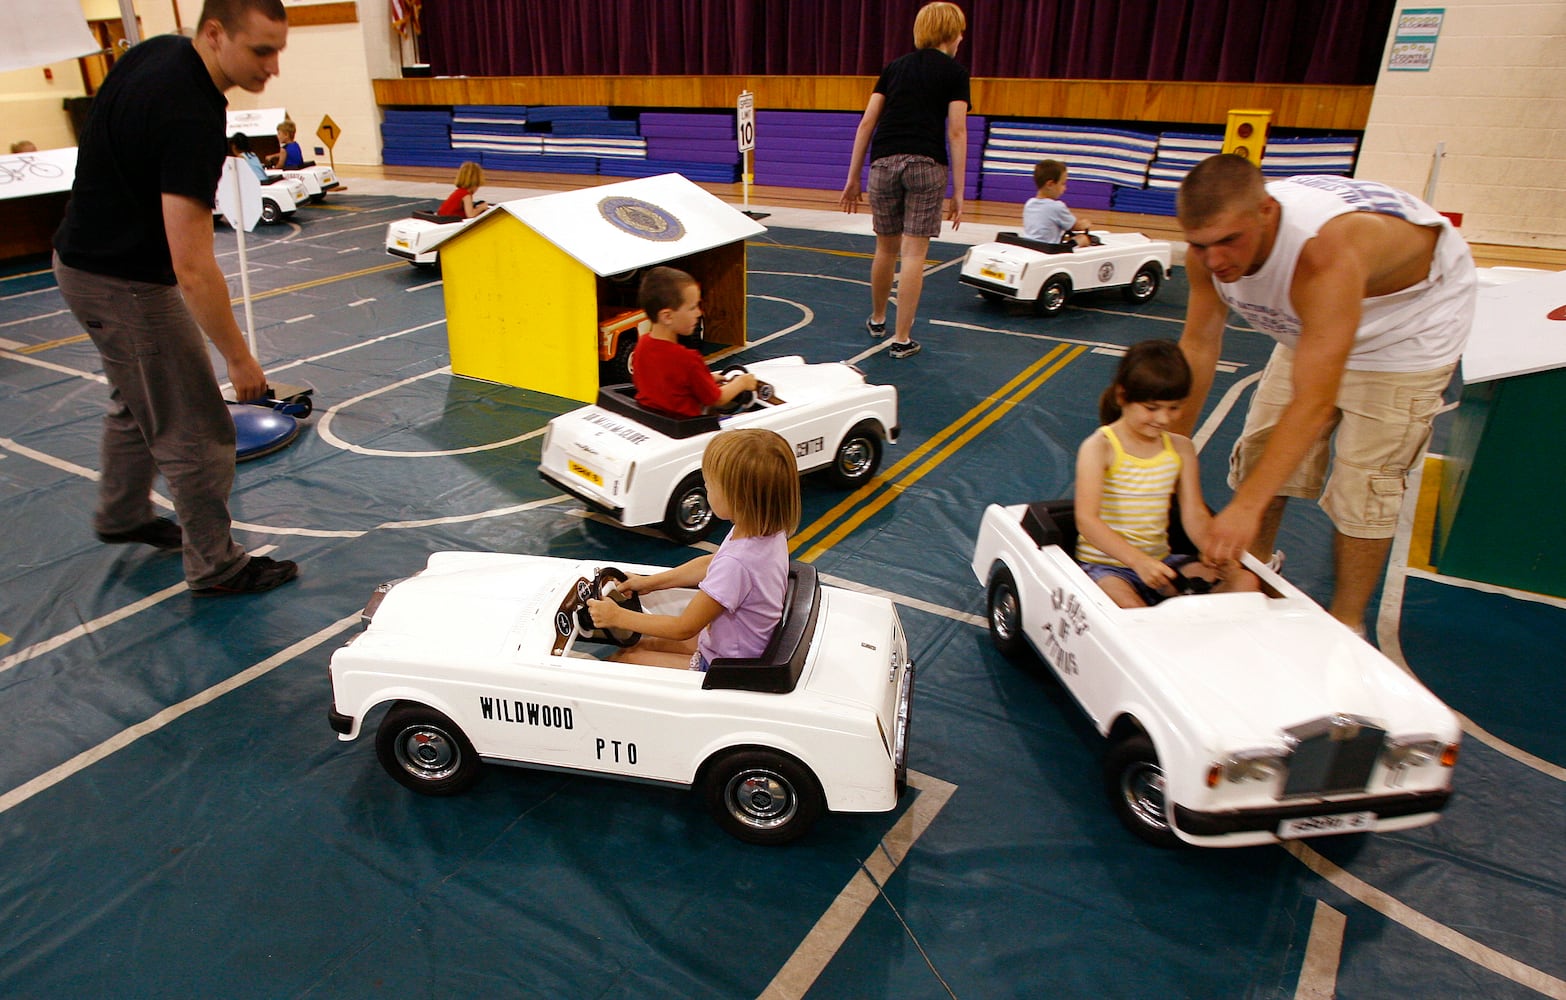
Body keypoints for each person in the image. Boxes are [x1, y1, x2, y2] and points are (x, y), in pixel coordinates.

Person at [52, 0, 298, 596]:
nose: (273, 67)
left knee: (137, 398)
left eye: (278, 51)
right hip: (125, 283)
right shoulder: (191, 115)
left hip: (78, 259)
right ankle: (217, 566)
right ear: (215, 34)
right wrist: (240, 360)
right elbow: (192, 266)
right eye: (261, 50)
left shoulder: (158, 51)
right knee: (196, 428)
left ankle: (122, 514)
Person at [1174, 153, 1476, 632]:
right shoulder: (1208, 255)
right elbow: (1198, 345)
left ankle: (1348, 622)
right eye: (1201, 245)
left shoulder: (1323, 255)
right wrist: (1169, 449)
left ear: (1267, 213)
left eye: (1229, 241)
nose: (1216, 261)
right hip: (1314, 321)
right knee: (1259, 461)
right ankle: (1250, 579)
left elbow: (1313, 404)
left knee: (1364, 487)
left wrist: (1245, 508)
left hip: (1407, 330)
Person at [587, 428, 800, 670]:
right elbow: (712, 563)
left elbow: (684, 627)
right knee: (642, 646)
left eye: (709, 485)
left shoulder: (737, 563)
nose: (706, 489)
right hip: (739, 646)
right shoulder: (764, 532)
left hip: (727, 666)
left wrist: (618, 617)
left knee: (627, 660)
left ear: (737, 497)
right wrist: (649, 582)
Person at [1075, 340, 1259, 608]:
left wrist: (1211, 549)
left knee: (1246, 584)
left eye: (1174, 408)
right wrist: (1137, 561)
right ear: (1123, 397)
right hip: (1107, 567)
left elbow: (1194, 512)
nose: (1163, 419)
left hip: (1161, 563)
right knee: (1131, 610)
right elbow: (1087, 521)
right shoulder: (1099, 447)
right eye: (1152, 408)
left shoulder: (1181, 448)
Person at [839, 1, 970, 360]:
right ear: (949, 33)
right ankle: (901, 338)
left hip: (883, 163)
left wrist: (853, 177)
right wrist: (959, 191)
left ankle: (878, 318)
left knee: (885, 248)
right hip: (926, 163)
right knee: (914, 253)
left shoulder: (894, 68)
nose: (962, 38)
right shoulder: (955, 73)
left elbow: (867, 122)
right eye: (960, 31)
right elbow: (957, 132)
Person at [630, 266, 757, 417]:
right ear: (667, 316)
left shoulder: (642, 345)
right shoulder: (687, 359)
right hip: (687, 429)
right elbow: (717, 398)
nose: (699, 313)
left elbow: (666, 385)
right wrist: (741, 383)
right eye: (692, 308)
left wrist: (706, 380)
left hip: (651, 420)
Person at [1023, 158, 1091, 247]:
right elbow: (1075, 226)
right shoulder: (1057, 206)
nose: (1065, 188)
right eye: (1063, 184)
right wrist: (1085, 223)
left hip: (1029, 245)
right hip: (1049, 249)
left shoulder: (1029, 203)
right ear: (1050, 184)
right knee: (1082, 239)